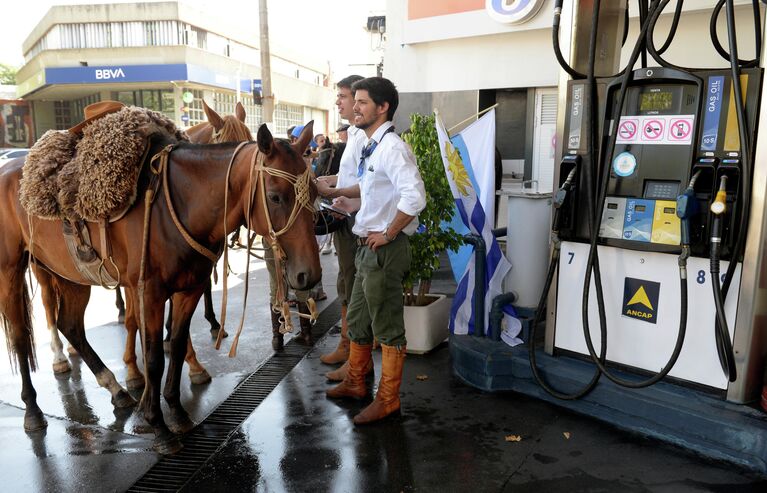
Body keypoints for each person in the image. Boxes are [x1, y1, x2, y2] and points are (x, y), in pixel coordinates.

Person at [325, 76, 426, 425]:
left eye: (363, 102)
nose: (355, 106)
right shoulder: (373, 146)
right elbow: (372, 191)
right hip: (368, 246)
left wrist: (388, 232)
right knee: (358, 320)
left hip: (384, 249)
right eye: (356, 101)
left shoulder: (392, 147)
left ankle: (388, 399)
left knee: (387, 328)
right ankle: (355, 381)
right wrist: (336, 195)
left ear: (382, 108)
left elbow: (415, 197)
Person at [315, 74, 365, 373]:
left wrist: (332, 191)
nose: (339, 102)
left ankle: (355, 353)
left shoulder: (366, 138)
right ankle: (348, 346)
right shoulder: (356, 135)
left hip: (355, 218)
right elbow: (351, 178)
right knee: (346, 281)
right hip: (346, 214)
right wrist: (327, 181)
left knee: (354, 282)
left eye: (345, 96)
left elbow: (367, 183)